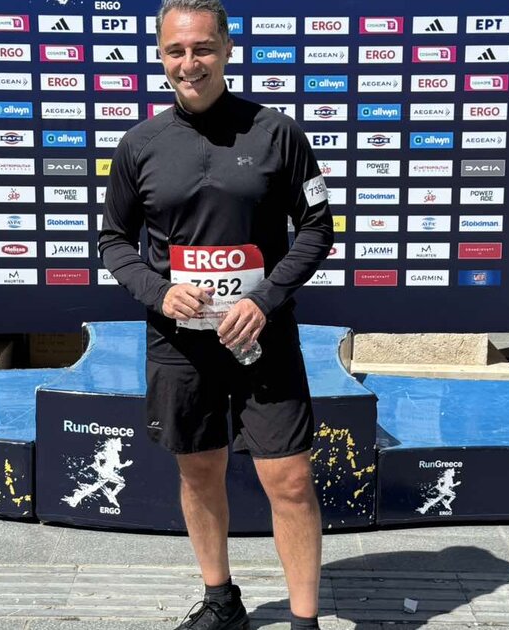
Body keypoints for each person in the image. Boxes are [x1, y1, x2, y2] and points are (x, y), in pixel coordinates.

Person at [96, 0, 333, 627]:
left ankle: (305, 621)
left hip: (262, 337)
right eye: (175, 51)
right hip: (181, 343)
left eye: (202, 48)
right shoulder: (139, 144)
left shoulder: (276, 133)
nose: (190, 63)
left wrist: (264, 298)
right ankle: (222, 602)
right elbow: (113, 240)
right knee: (200, 473)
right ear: (160, 56)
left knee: (290, 480)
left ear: (227, 50)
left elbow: (317, 228)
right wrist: (158, 291)